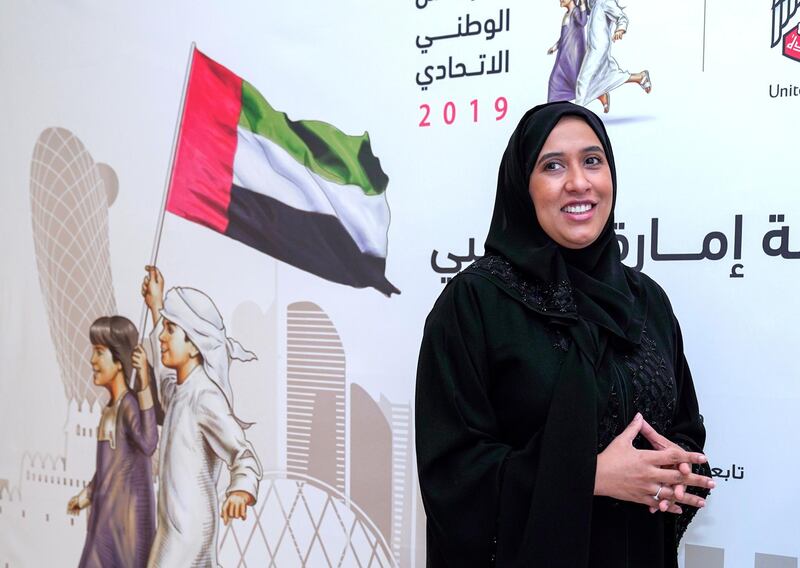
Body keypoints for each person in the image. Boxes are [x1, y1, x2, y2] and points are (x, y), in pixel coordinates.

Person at [415, 102, 714, 567]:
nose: (579, 182)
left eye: (592, 161)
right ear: (523, 188)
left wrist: (675, 467)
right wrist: (586, 476)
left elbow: (686, 426)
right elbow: (453, 472)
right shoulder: (475, 303)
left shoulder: (646, 300)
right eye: (553, 165)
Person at [141, 266, 262, 567]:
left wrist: (241, 491)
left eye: (171, 330)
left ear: (194, 344)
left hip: (189, 538)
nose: (162, 338)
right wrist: (156, 307)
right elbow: (163, 376)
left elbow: (243, 454)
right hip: (172, 532)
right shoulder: (180, 392)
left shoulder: (205, 397)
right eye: (164, 328)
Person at [67, 316, 158, 568]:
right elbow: (109, 467)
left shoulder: (129, 405)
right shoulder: (109, 408)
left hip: (124, 529)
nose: (92, 361)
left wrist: (144, 383)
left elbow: (149, 443)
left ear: (119, 361)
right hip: (103, 520)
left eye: (99, 352)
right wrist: (87, 494)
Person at [573, 0, 650, 112]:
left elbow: (621, 17)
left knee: (583, 80)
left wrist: (620, 29)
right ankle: (640, 77)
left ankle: (576, 112)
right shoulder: (595, 4)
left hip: (599, 48)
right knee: (607, 73)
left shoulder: (605, 2)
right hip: (593, 47)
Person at [546, 0, 589, 103]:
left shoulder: (575, 12)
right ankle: (553, 107)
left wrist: (582, 3)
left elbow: (583, 22)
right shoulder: (567, 14)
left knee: (577, 82)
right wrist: (555, 47)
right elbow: (564, 36)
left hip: (572, 56)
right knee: (555, 81)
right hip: (563, 55)